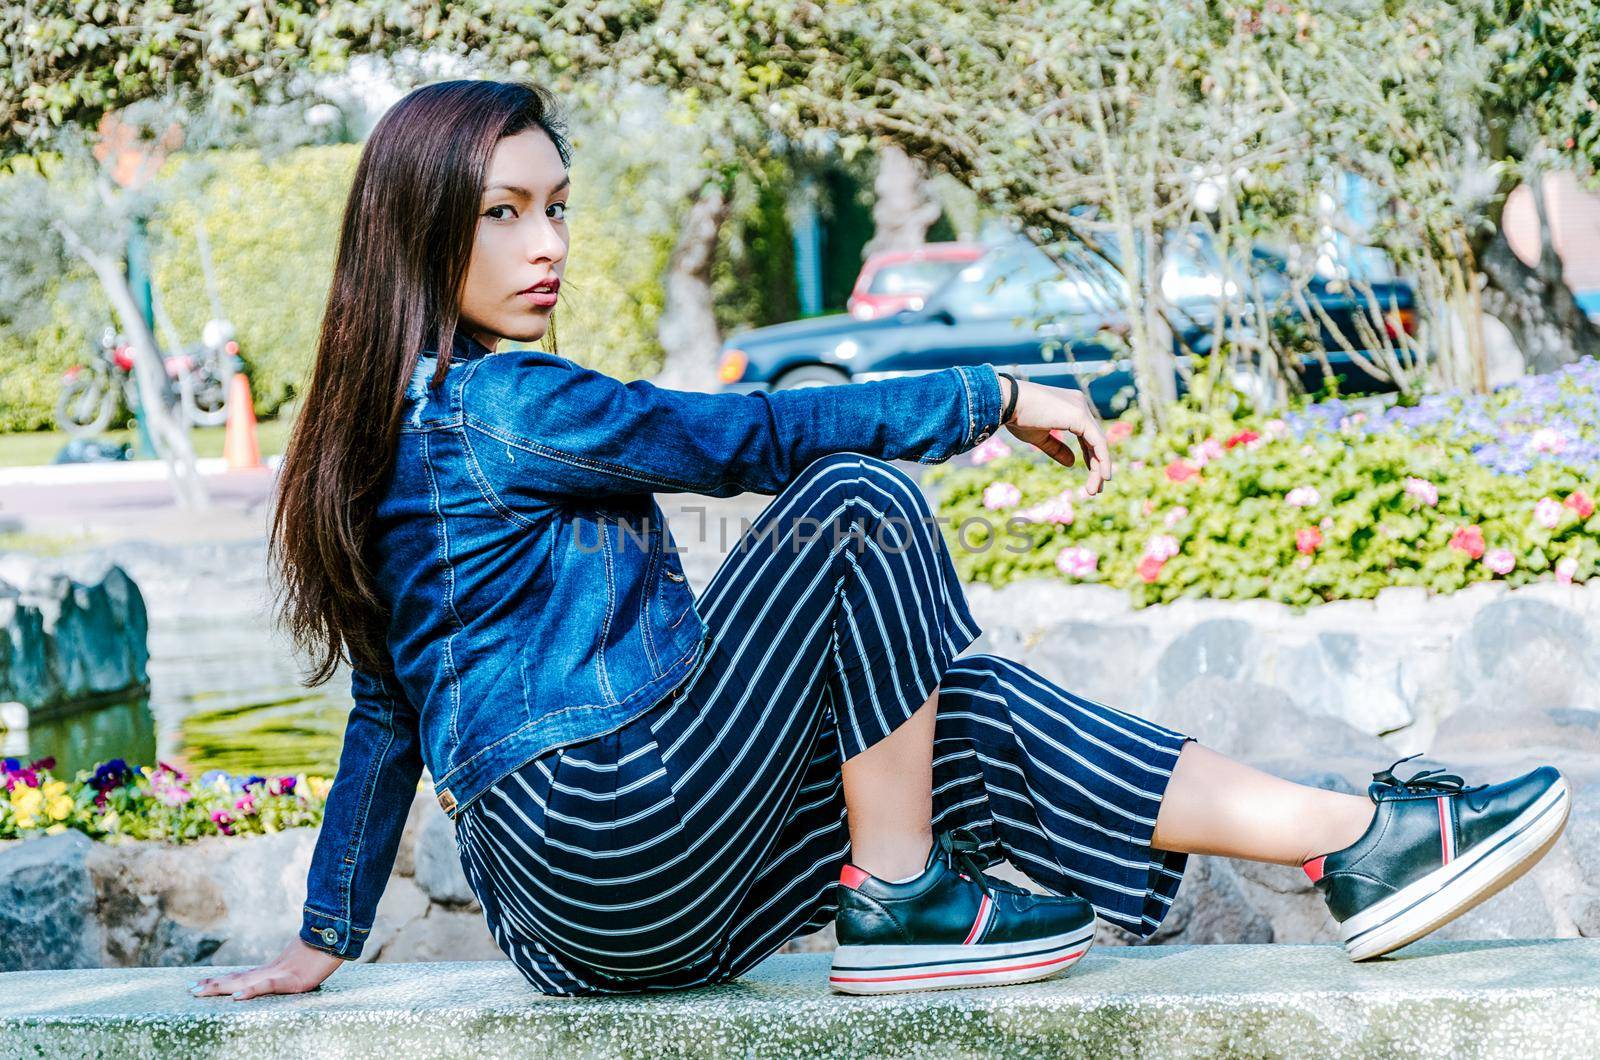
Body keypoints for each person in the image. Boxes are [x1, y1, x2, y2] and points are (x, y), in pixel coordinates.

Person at [189, 80, 1570, 1001]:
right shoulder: (502, 403)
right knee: (861, 502)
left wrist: (324, 937)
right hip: (616, 824)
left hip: (574, 923)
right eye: (503, 213)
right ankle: (904, 900)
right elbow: (744, 441)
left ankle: (1354, 844)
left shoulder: (392, 434)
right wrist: (993, 394)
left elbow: (388, 711)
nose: (546, 243)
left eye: (556, 206)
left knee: (943, 718)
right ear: (423, 233)